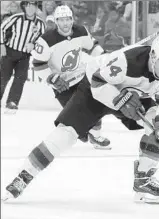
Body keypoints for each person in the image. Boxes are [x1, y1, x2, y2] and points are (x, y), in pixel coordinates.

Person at [3, 35, 159, 204]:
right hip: (95, 89)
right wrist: (120, 101)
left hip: (134, 94)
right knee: (66, 134)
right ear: (153, 56)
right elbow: (98, 82)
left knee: (157, 127)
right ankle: (24, 176)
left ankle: (143, 180)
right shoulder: (127, 60)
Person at [31, 5, 111, 149]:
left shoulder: (80, 31)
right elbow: (38, 64)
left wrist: (104, 57)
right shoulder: (46, 39)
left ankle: (96, 137)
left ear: (72, 19)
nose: (65, 23)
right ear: (56, 21)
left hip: (81, 77)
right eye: (61, 20)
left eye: (68, 19)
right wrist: (51, 78)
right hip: (62, 84)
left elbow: (92, 46)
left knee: (94, 106)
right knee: (76, 116)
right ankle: (81, 131)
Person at [0, 1, 45, 113]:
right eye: (28, 5)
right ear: (24, 7)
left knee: (20, 78)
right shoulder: (16, 18)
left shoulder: (40, 23)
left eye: (33, 6)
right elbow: (2, 28)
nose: (30, 8)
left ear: (36, 8)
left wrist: (33, 45)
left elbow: (42, 39)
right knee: (3, 77)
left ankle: (12, 101)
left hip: (25, 55)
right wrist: (1, 44)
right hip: (10, 52)